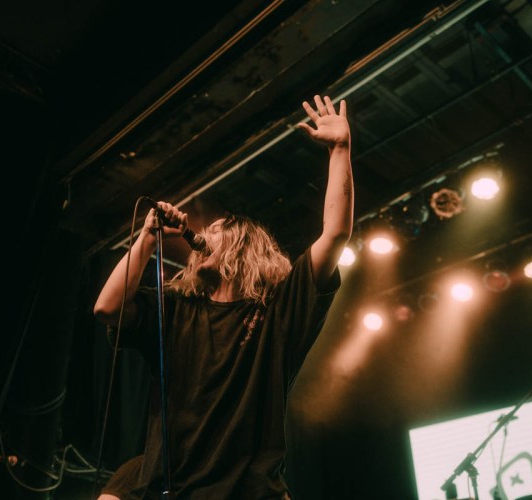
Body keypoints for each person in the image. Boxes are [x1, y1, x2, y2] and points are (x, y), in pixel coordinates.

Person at [93, 95, 353, 499]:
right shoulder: (176, 307)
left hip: (246, 491)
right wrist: (146, 239)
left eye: (216, 231)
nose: (203, 237)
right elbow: (107, 308)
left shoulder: (278, 310)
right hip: (175, 486)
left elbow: (335, 234)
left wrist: (340, 149)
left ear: (244, 247)